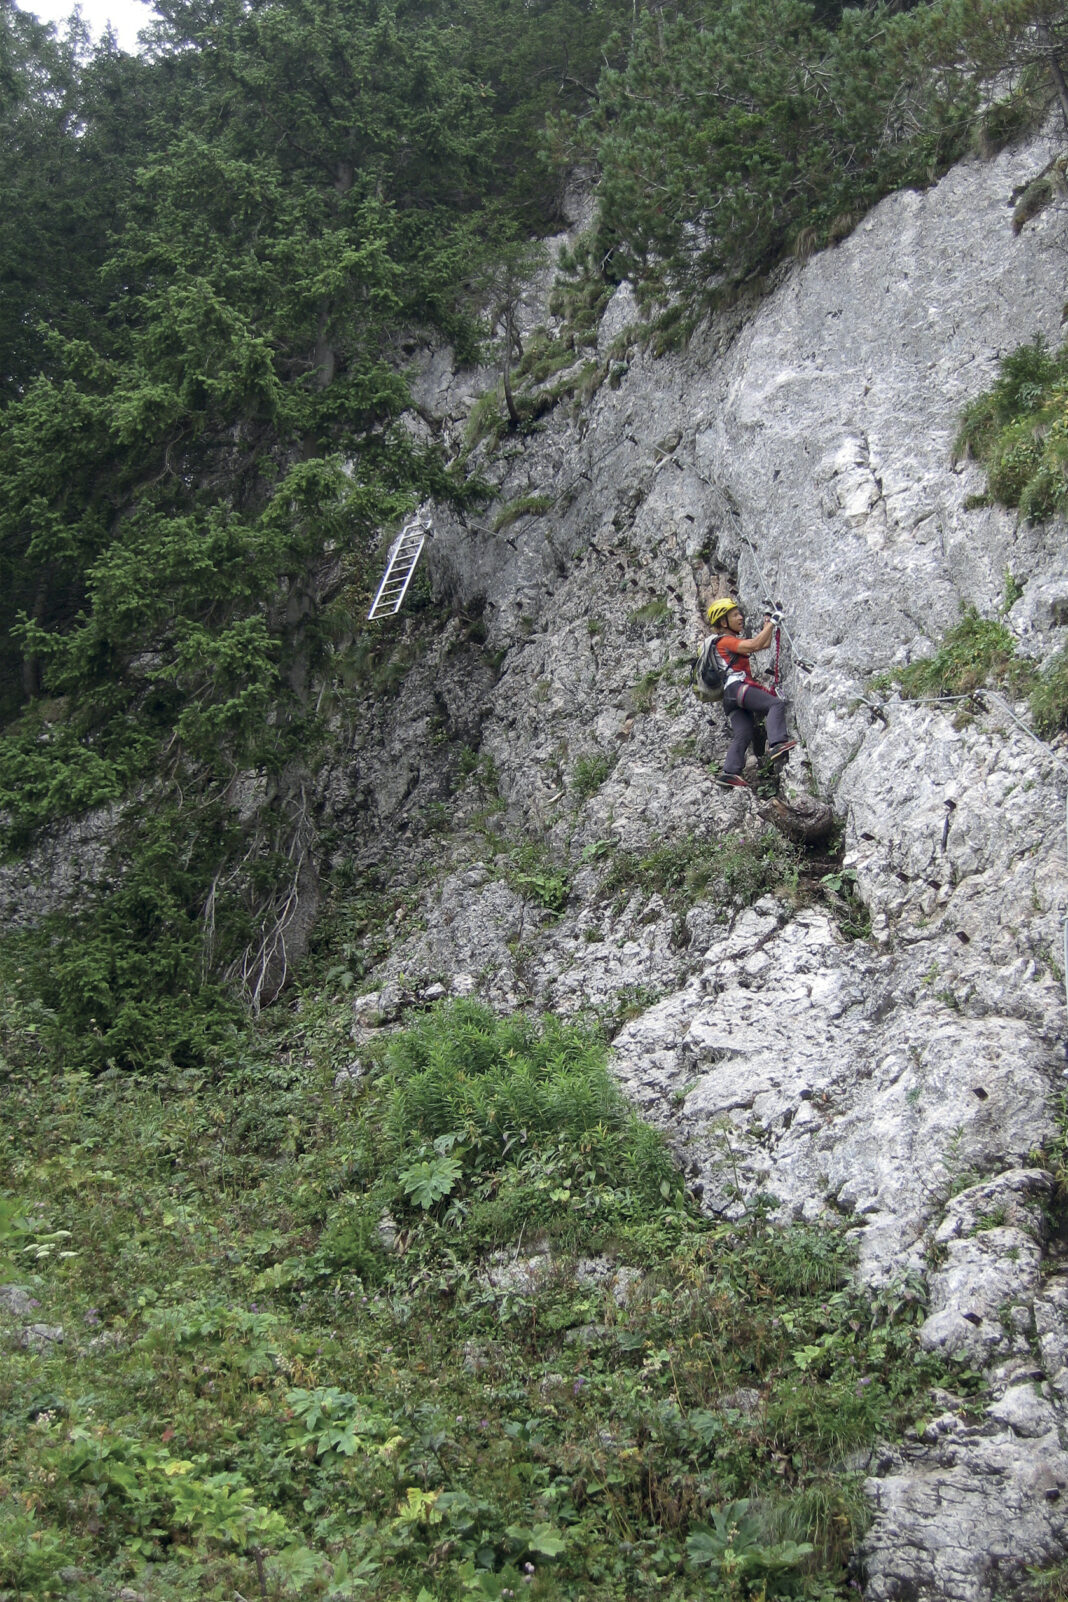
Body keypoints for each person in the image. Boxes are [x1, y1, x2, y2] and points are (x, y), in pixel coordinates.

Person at [705, 598, 796, 790]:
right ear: (723, 622)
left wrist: (767, 625)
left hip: (729, 698)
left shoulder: (721, 644)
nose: (741, 617)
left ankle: (729, 772)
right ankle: (777, 743)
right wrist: (773, 622)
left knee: (744, 732)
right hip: (738, 687)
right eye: (735, 615)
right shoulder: (725, 641)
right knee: (775, 704)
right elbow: (755, 645)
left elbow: (763, 644)